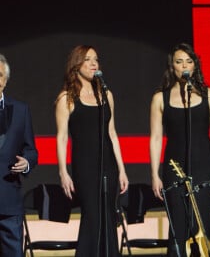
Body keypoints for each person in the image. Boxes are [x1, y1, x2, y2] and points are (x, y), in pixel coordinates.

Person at [150, 43, 210, 257]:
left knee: (204, 222)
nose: (184, 65)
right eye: (179, 61)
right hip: (174, 166)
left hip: (204, 165)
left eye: (188, 61)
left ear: (195, 65)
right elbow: (156, 138)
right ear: (171, 66)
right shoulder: (160, 99)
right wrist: (154, 174)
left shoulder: (209, 95)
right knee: (179, 223)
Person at [55, 45, 129, 257]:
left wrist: (122, 170)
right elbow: (61, 138)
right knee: (93, 218)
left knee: (108, 218)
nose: (93, 64)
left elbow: (112, 134)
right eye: (87, 59)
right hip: (85, 169)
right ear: (76, 64)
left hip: (109, 167)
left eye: (96, 59)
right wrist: (63, 171)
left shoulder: (106, 95)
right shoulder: (66, 98)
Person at [0, 54, 38, 257]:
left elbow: (31, 150)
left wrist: (26, 163)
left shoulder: (20, 110)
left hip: (9, 199)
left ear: (5, 80)